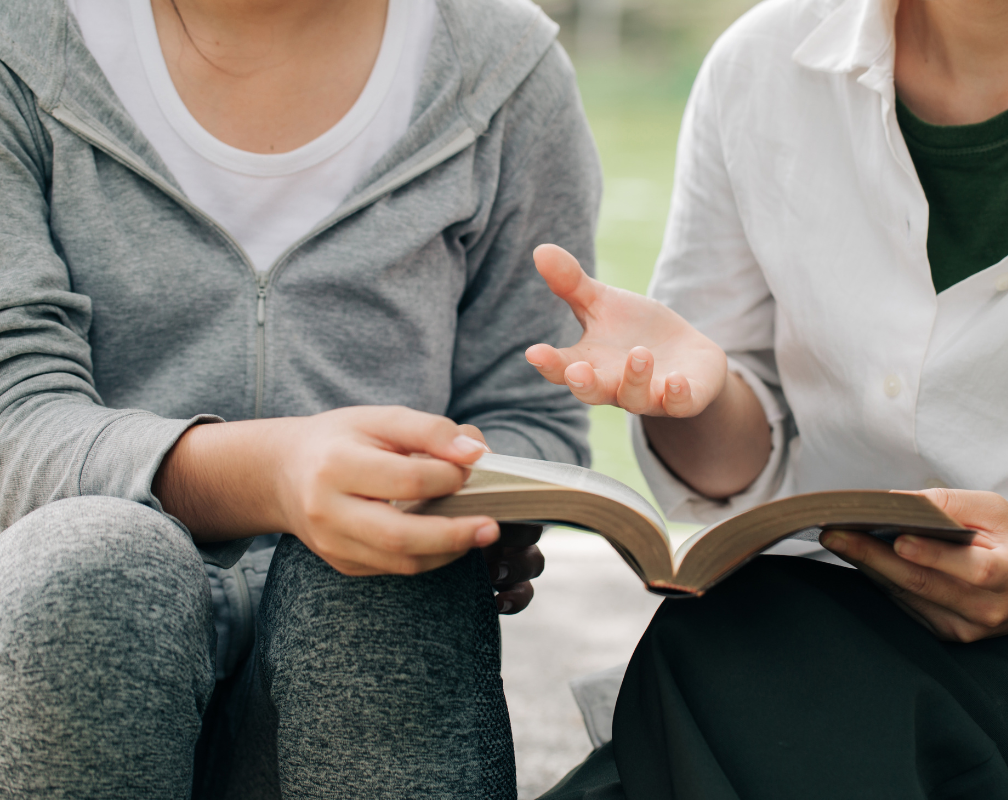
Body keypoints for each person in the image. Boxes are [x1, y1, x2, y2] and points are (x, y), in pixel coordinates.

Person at [531, 0, 1008, 797]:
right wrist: (689, 395)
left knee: (728, 666)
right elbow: (734, 472)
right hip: (827, 641)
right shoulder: (763, 65)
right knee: (751, 644)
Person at [0, 0, 599, 796]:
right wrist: (272, 475)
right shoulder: (20, 45)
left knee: (381, 584)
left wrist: (465, 499)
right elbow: (15, 416)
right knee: (94, 564)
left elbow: (537, 415)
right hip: (62, 674)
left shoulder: (502, 66)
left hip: (360, 671)